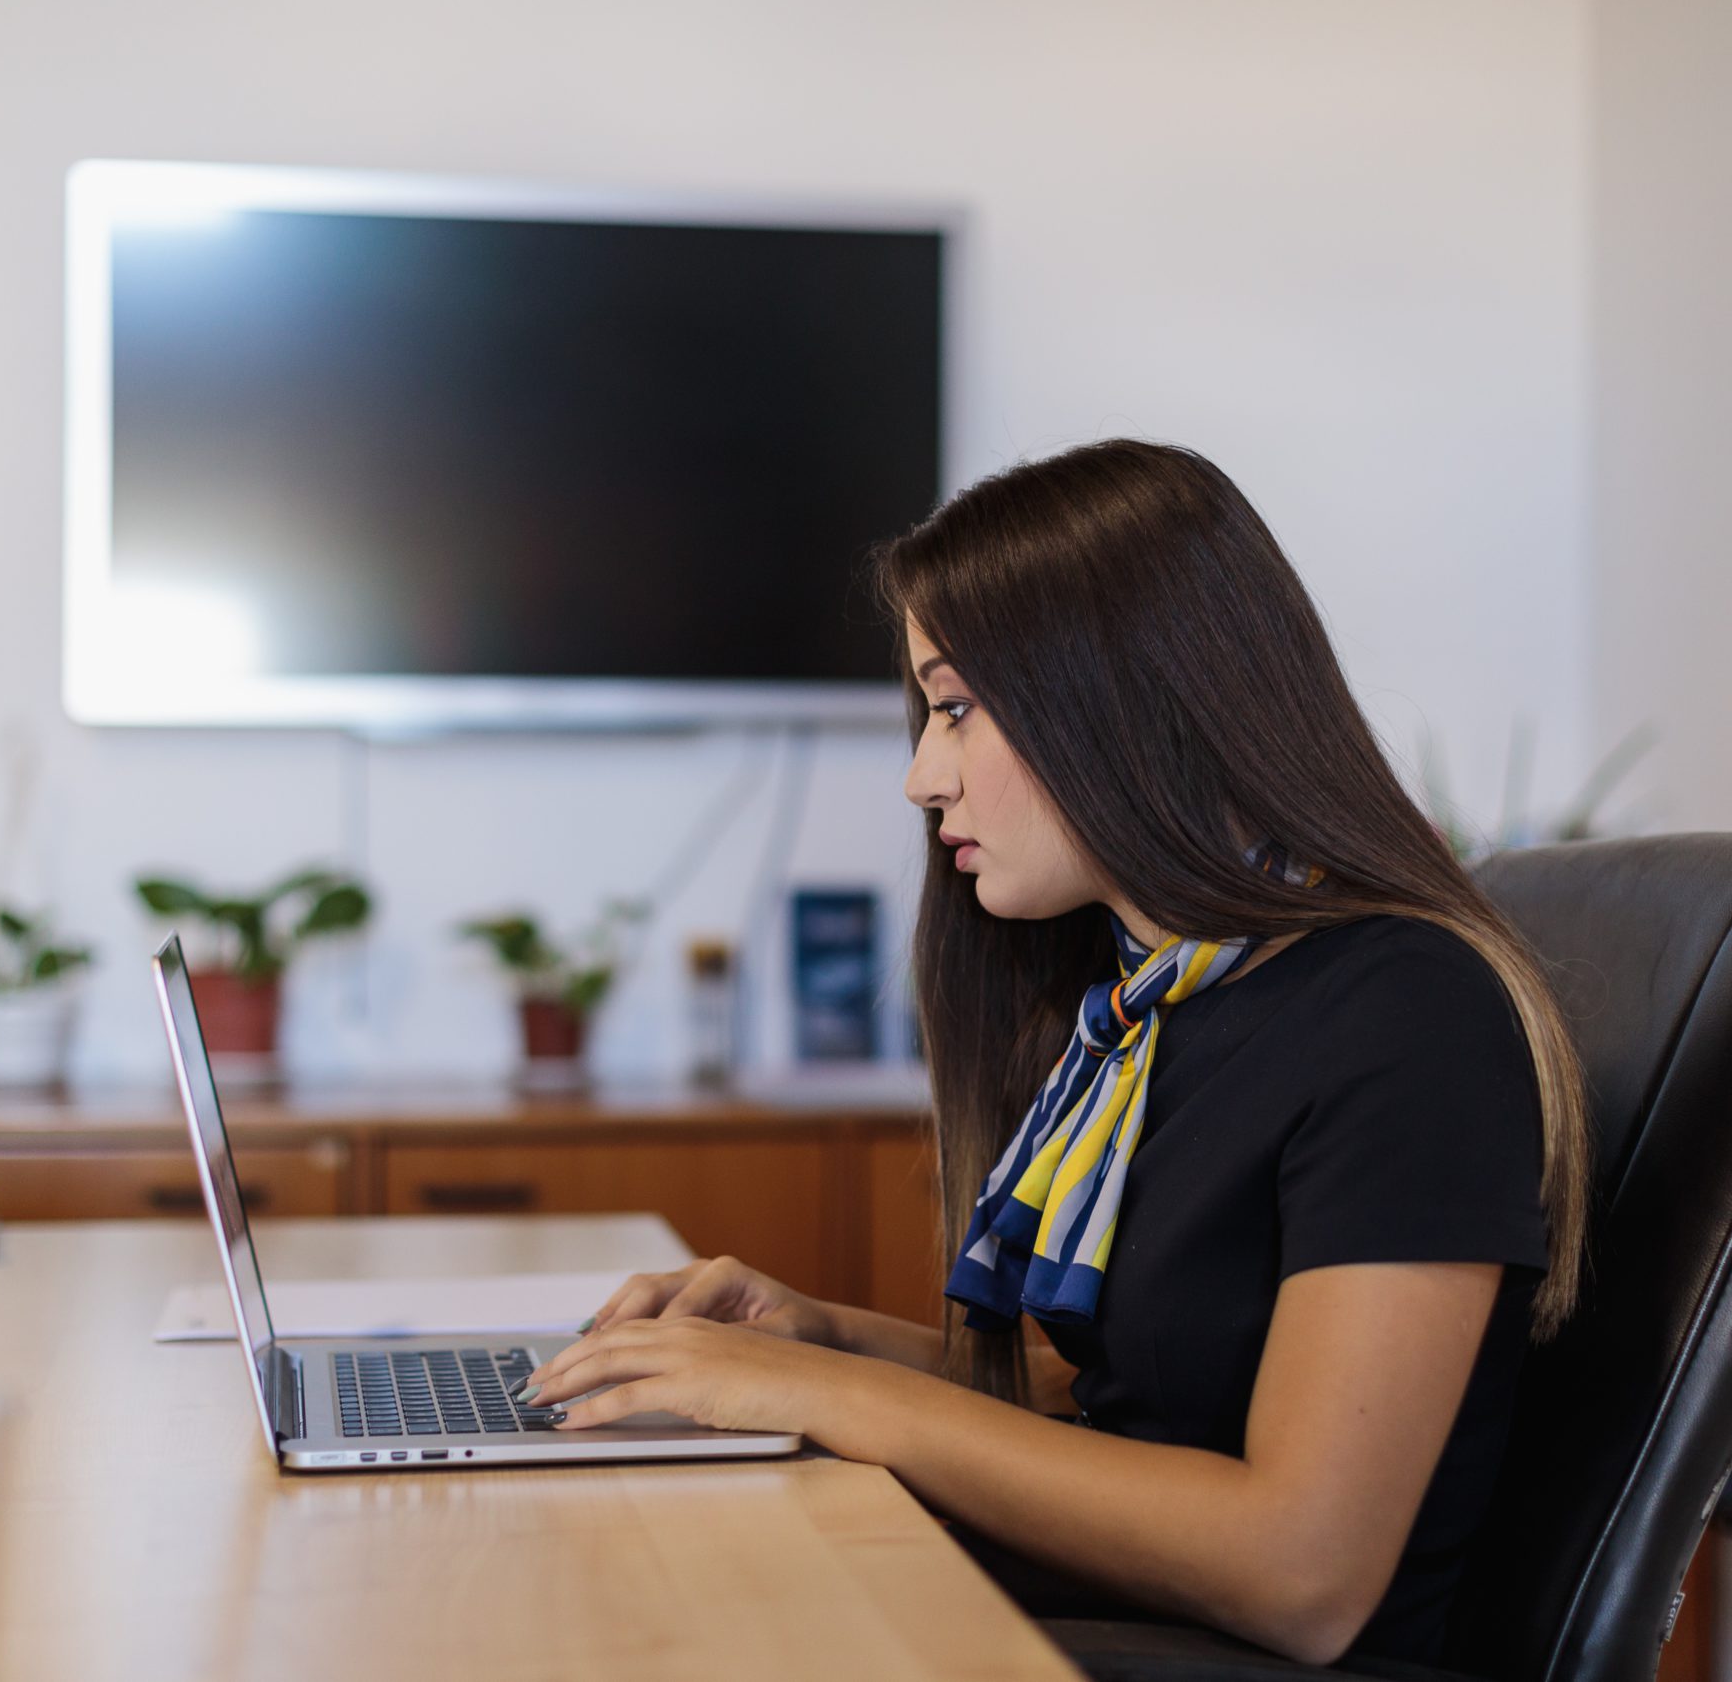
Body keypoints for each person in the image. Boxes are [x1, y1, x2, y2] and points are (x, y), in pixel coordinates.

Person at [524, 439, 1592, 1673]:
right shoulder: (1153, 1011)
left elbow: (1300, 1572)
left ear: (1127, 695)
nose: (924, 777)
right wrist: (821, 1340)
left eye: (957, 708)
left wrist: (835, 1403)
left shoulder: (1404, 1015)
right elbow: (1147, 1412)